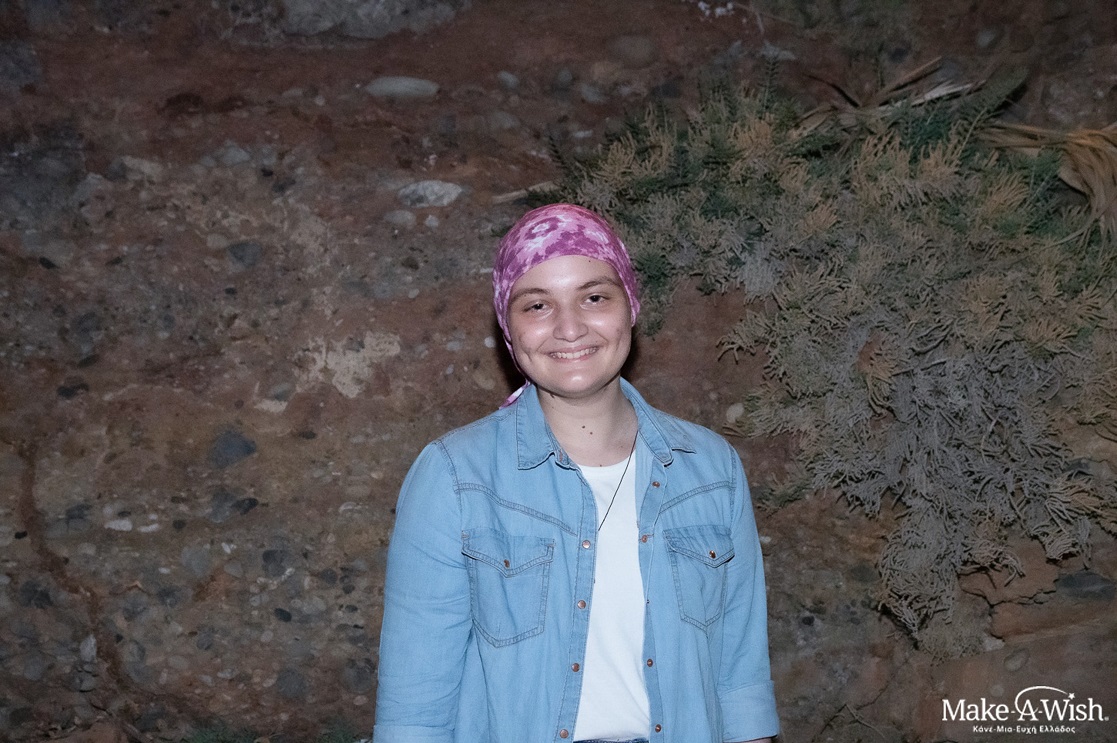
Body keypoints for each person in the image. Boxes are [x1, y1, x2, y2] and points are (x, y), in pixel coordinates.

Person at [373, 204, 779, 743]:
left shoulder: (710, 468)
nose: (569, 328)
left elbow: (740, 682)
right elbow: (415, 712)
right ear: (508, 327)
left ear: (630, 305)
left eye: (594, 297)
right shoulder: (454, 478)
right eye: (537, 305)